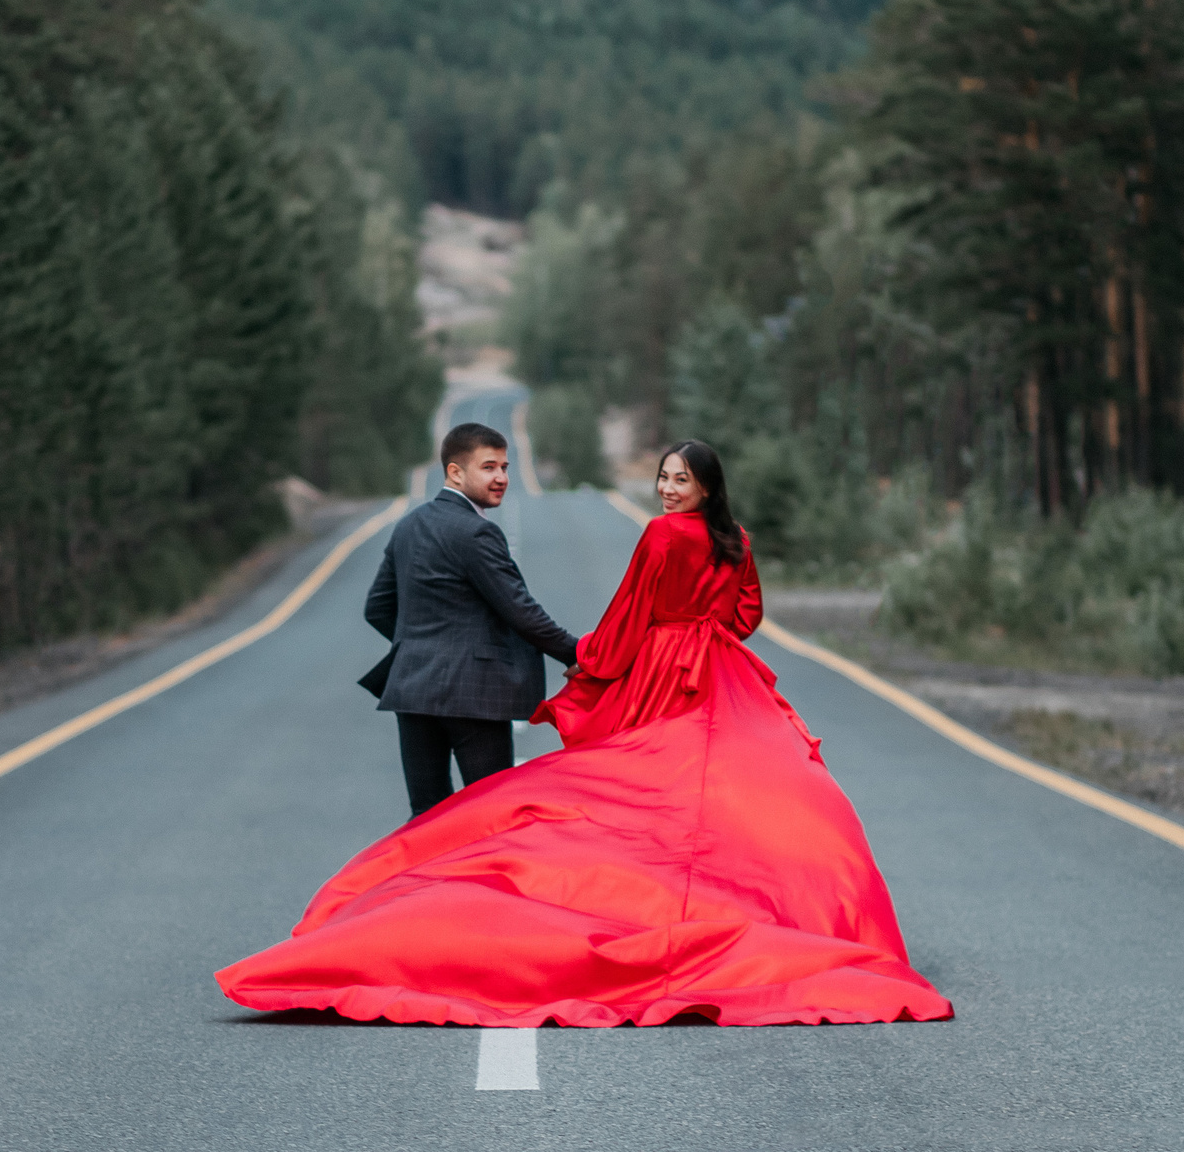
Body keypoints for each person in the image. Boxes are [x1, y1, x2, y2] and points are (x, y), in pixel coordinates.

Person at [218, 439, 951, 1028]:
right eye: (663, 478)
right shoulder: (737, 538)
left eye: (679, 480)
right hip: (721, 667)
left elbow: (631, 612)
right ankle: (737, 903)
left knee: (635, 787)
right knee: (720, 785)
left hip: (659, 663)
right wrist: (711, 637)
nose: (666, 490)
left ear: (703, 487)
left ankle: (453, 909)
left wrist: (593, 664)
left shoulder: (662, 537)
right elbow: (748, 611)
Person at [359, 422, 581, 817]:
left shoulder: (409, 525)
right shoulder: (476, 532)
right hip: (473, 697)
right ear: (455, 472)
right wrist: (576, 653)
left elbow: (377, 607)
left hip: (412, 691)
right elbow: (520, 610)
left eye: (505, 468)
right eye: (489, 467)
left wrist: (419, 646)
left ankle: (424, 882)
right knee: (490, 813)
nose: (501, 478)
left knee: (426, 815)